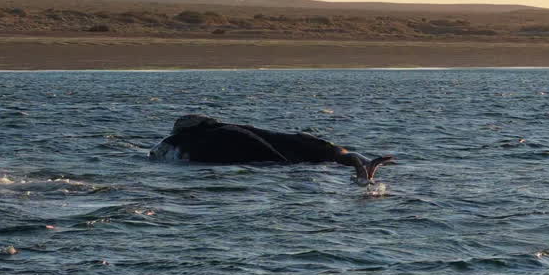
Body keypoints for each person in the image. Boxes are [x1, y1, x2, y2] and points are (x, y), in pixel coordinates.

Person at [150, 114, 394, 181]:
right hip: (296, 143)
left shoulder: (187, 137)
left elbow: (156, 153)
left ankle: (362, 168)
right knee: (332, 153)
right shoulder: (232, 127)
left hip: (275, 160)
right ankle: (363, 164)